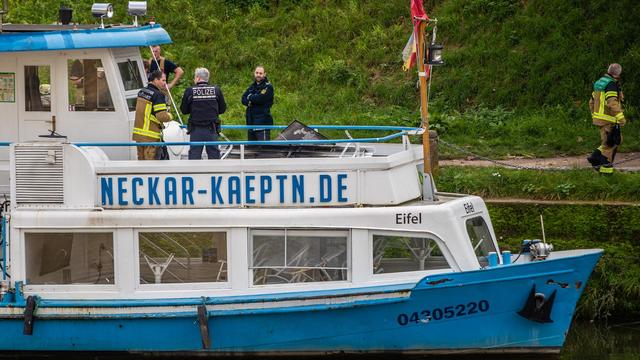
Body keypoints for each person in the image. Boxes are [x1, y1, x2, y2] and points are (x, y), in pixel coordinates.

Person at [587, 63, 626, 174]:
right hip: (608, 119)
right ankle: (606, 172)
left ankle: (594, 157)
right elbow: (612, 102)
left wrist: (595, 115)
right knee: (610, 144)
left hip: (601, 118)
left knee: (615, 140)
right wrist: (621, 118)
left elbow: (591, 102)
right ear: (618, 74)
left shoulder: (599, 83)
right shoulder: (611, 85)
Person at [180, 67, 226, 160]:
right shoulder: (216, 90)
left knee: (194, 156)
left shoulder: (190, 91)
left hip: (196, 129)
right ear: (207, 78)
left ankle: (194, 174)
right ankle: (215, 174)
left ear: (197, 77)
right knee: (214, 156)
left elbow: (184, 110)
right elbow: (222, 109)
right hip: (212, 129)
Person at [132, 71, 173, 160]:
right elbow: (161, 116)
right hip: (150, 136)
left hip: (139, 135)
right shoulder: (158, 95)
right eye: (163, 80)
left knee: (141, 162)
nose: (165, 83)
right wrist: (170, 115)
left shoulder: (141, 92)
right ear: (155, 80)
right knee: (151, 166)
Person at [241, 66, 274, 141]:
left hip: (262, 124)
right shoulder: (252, 86)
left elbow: (260, 99)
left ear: (264, 74)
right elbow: (243, 99)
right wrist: (252, 100)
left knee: (263, 149)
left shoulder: (268, 87)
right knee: (251, 150)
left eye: (260, 73)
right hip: (251, 123)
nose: (258, 75)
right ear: (254, 73)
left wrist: (250, 97)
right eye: (257, 73)